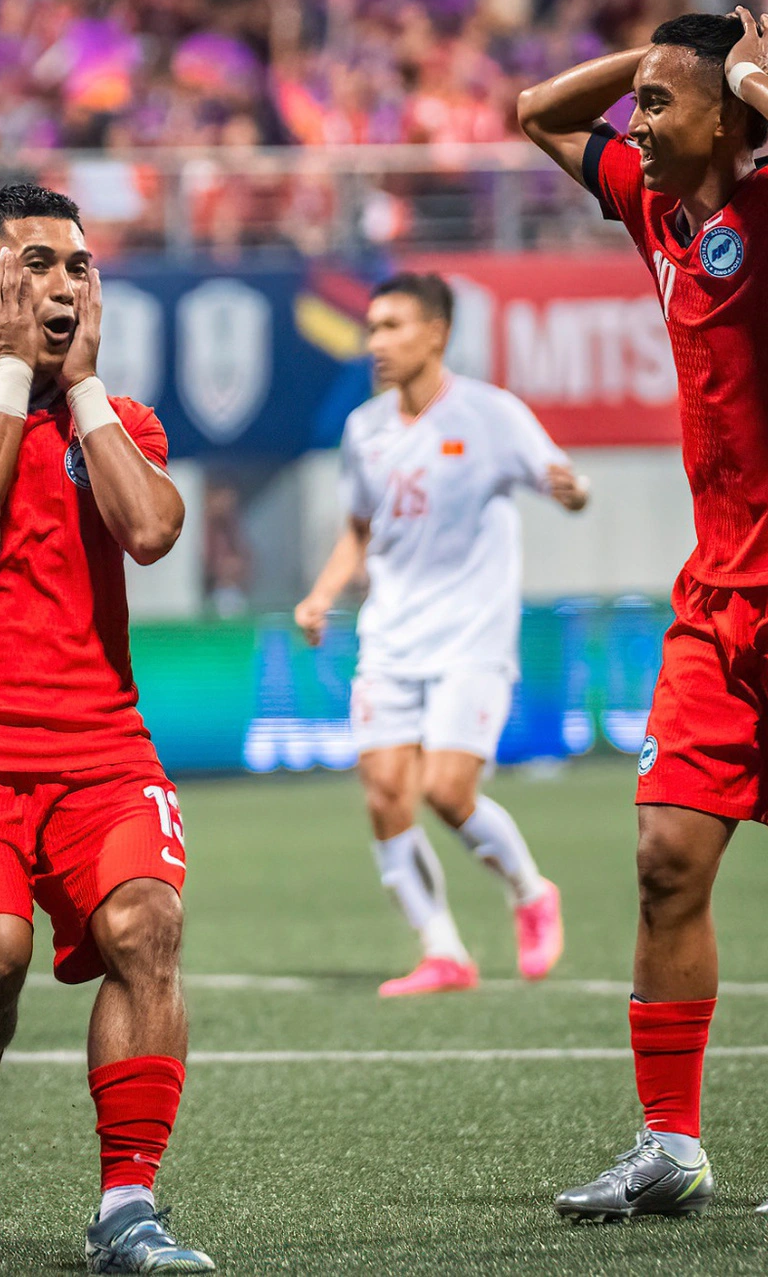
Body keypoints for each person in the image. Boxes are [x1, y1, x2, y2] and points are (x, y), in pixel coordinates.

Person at [519, 10, 768, 1218]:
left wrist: (739, 75)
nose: (631, 123)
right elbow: (536, 113)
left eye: (654, 106)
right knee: (662, 860)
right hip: (715, 597)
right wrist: (649, 57)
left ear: (726, 122)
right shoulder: (650, 207)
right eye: (636, 104)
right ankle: (668, 1146)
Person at [0, 183, 214, 1274]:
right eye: (37, 265)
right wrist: (15, 374)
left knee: (146, 927)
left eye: (78, 267)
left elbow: (152, 530)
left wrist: (86, 387)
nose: (62, 286)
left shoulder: (116, 417)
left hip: (102, 747)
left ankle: (125, 1206)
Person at [294, 272, 586, 997]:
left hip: (472, 636)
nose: (377, 342)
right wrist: (323, 594)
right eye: (372, 328)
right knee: (386, 791)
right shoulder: (365, 429)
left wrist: (572, 490)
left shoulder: (491, 415)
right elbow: (360, 528)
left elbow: (566, 482)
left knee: (448, 790)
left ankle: (529, 890)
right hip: (391, 635)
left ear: (437, 333)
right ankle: (443, 949)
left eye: (393, 326)